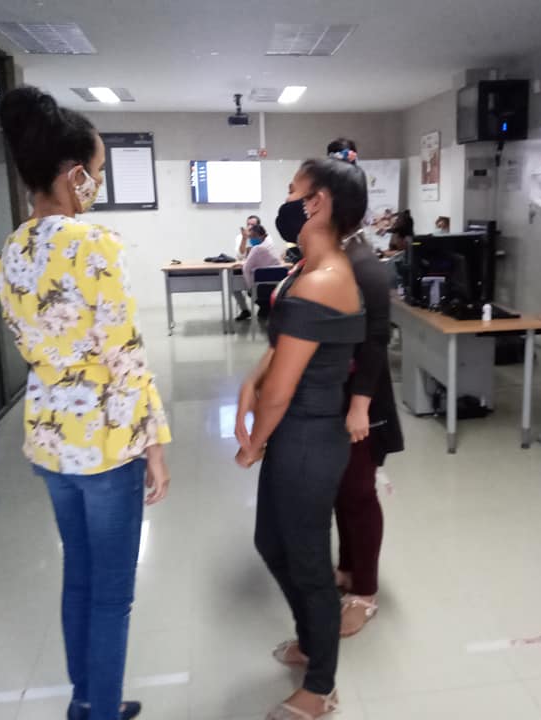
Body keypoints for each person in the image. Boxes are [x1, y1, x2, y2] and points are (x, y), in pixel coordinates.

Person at [0, 86, 171, 720]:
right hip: (105, 439)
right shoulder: (95, 242)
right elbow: (124, 355)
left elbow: (26, 337)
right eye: (96, 171)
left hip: (49, 434)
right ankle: (101, 711)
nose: (97, 182)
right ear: (75, 175)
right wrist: (155, 444)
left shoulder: (13, 248)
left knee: (79, 574)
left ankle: (85, 701)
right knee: (112, 594)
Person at [236, 157, 367, 720]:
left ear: (318, 203)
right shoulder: (307, 270)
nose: (286, 201)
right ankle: (313, 640)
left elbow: (281, 392)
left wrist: (253, 441)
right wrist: (251, 379)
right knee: (272, 543)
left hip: (309, 438)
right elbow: (283, 347)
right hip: (296, 435)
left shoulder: (325, 279)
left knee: (309, 563)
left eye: (293, 190)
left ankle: (321, 686)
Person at [323, 139, 404, 638]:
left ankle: (365, 593)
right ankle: (348, 569)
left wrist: (359, 408)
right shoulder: (337, 257)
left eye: (307, 198)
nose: (300, 208)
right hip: (335, 397)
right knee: (342, 492)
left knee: (357, 494)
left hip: (361, 402)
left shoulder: (364, 266)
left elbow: (375, 343)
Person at [242, 223, 283, 319]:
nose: (252, 239)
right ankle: (267, 309)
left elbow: (246, 269)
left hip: (261, 288)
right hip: (277, 286)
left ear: (262, 236)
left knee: (250, 291)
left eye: (254, 236)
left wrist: (250, 288)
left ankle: (264, 308)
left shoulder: (257, 248)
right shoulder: (271, 245)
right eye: (250, 237)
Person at [233, 215, 266, 321]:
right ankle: (245, 310)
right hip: (245, 266)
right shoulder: (240, 237)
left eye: (253, 225)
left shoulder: (264, 237)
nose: (250, 227)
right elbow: (240, 255)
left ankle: (265, 306)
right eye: (248, 224)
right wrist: (244, 238)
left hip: (261, 267)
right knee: (233, 282)